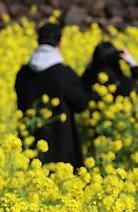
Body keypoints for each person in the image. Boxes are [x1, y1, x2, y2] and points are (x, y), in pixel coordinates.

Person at [14, 23, 90, 169]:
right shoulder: (64, 74)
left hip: (31, 147)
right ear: (59, 43)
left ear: (38, 42)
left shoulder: (23, 73)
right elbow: (82, 103)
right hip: (62, 149)